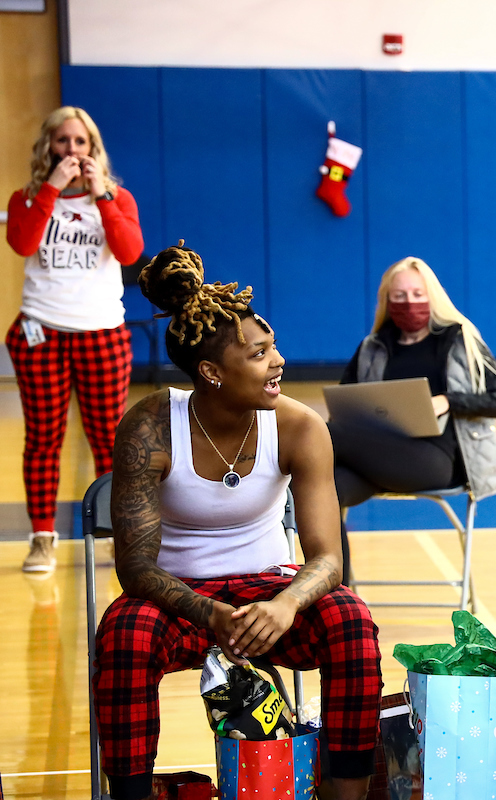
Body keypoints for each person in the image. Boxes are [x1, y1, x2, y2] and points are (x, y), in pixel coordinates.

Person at [95, 242, 381, 800]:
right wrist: (210, 612)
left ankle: (347, 794)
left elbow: (327, 559)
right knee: (124, 634)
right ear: (211, 371)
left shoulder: (299, 427)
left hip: (270, 591)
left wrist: (286, 603)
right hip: (177, 597)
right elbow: (134, 567)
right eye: (257, 354)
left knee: (349, 621)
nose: (278, 362)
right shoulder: (151, 425)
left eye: (272, 347)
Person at [5, 106, 143, 573]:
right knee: (43, 438)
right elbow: (22, 244)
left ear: (93, 148)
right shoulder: (26, 198)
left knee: (109, 438)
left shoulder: (117, 197)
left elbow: (129, 252)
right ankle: (42, 538)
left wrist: (102, 194)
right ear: (49, 147)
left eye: (80, 142)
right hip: (40, 332)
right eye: (62, 141)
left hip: (100, 333)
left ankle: (113, 531)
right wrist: (51, 189)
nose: (71, 150)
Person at [332, 256, 496, 578]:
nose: (408, 302)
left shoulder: (461, 339)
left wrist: (448, 400)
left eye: (416, 294)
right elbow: (347, 404)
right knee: (323, 492)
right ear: (387, 300)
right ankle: (339, 596)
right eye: (399, 296)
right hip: (378, 458)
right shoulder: (372, 347)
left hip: (439, 460)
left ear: (433, 295)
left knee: (323, 433)